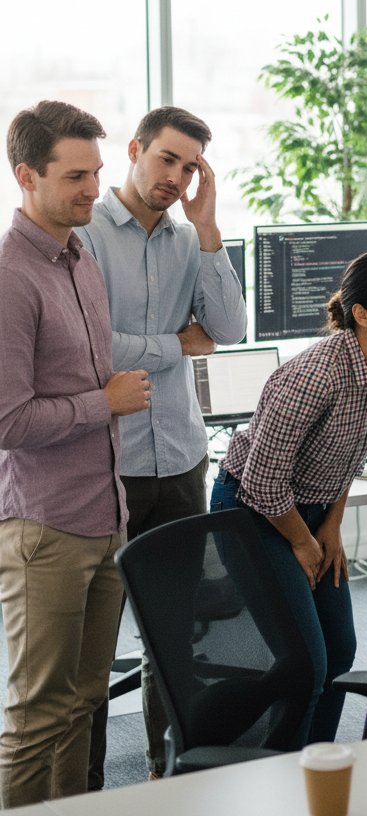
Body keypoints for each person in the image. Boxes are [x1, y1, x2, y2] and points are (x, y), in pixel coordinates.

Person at [79, 106, 246, 784]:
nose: (175, 176)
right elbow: (89, 349)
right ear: (134, 150)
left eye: (189, 166)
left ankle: (165, 775)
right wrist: (175, 346)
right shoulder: (84, 234)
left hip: (179, 459)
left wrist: (207, 230)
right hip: (104, 463)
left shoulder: (188, 242)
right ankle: (86, 788)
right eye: (166, 158)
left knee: (174, 636)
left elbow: (228, 329)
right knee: (91, 650)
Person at [210, 249, 367, 745]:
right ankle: (281, 769)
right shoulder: (315, 375)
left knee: (339, 652)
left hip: (310, 510)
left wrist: (330, 526)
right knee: (306, 663)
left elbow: (352, 451)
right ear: (362, 314)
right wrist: (302, 541)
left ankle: (318, 762)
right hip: (252, 510)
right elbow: (263, 482)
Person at [0, 101, 151, 806]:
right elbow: (8, 421)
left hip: (105, 515)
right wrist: (105, 403)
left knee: (85, 701)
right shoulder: (10, 277)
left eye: (96, 172)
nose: (94, 189)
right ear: (27, 176)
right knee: (38, 715)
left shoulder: (80, 257)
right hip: (46, 529)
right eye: (75, 177)